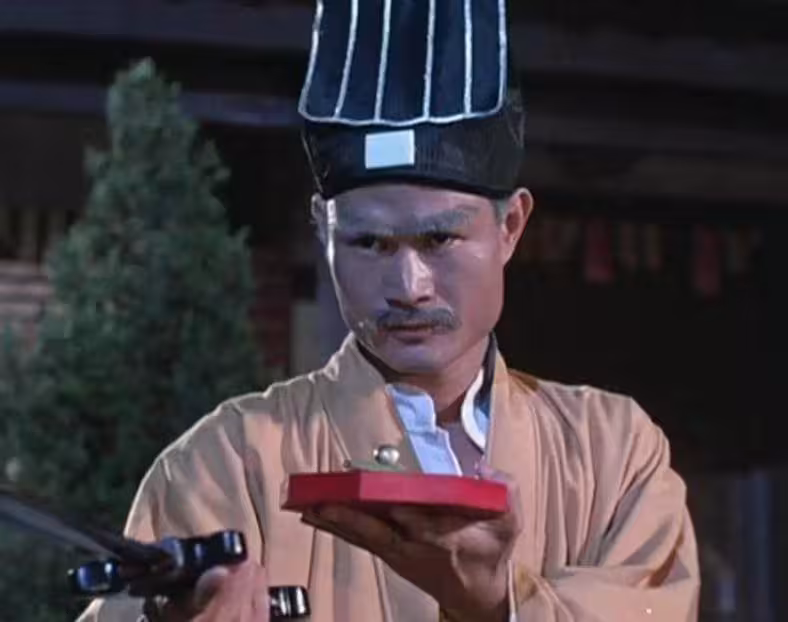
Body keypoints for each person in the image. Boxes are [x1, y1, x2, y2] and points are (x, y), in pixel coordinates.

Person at [78, 1, 700, 620]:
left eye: (440, 239)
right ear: (323, 229)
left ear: (510, 226)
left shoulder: (610, 453)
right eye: (370, 243)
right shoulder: (230, 460)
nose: (408, 287)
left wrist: (497, 603)